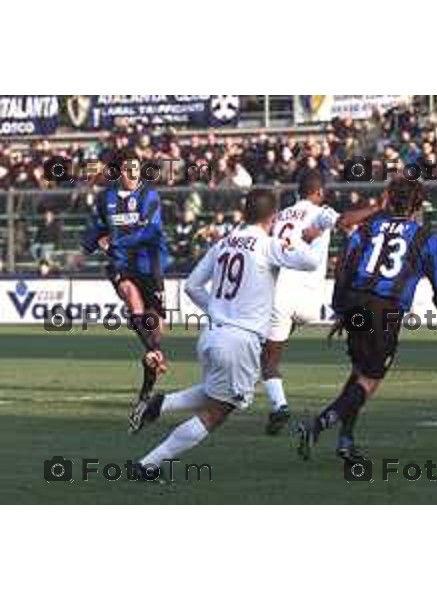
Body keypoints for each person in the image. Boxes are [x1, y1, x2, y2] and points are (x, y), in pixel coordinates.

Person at [127, 190, 322, 480]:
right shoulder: (268, 245)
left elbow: (192, 286)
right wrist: (308, 233)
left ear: (244, 212)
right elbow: (311, 261)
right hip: (239, 340)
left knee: (214, 392)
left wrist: (219, 310)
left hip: (212, 333)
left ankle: (159, 404)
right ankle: (148, 465)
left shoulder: (224, 243)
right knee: (219, 411)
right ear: (273, 217)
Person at [297, 178, 437, 465]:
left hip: (356, 300)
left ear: (389, 201)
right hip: (384, 309)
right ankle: (319, 424)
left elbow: (345, 264)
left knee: (360, 371)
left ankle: (346, 441)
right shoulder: (426, 238)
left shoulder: (367, 228)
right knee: (370, 379)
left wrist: (341, 308)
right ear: (417, 205)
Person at [262, 172, 386, 435]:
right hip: (309, 300)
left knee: (270, 358)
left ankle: (279, 405)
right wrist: (376, 208)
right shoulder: (320, 211)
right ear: (318, 193)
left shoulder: (281, 215)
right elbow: (342, 221)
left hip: (279, 294)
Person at [81, 150, 171, 416]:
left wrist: (115, 240)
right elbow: (97, 227)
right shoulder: (105, 198)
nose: (133, 173)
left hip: (150, 265)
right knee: (130, 295)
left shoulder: (149, 196)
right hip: (121, 264)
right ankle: (156, 353)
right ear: (119, 171)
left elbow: (149, 231)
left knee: (155, 327)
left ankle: (147, 388)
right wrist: (84, 249)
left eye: (136, 168)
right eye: (128, 168)